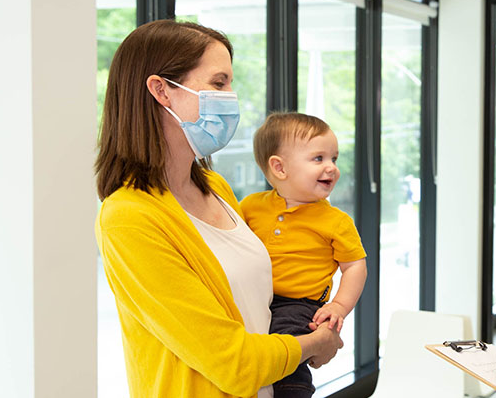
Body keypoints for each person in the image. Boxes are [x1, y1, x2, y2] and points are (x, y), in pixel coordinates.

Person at [94, 20, 343, 398]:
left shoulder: (216, 189)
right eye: (218, 82)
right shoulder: (128, 217)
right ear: (162, 90)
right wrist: (312, 345)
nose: (231, 96)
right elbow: (232, 361)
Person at [240, 112, 368, 398]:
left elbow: (355, 267)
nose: (331, 168)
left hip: (298, 304)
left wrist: (339, 306)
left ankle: (294, 390)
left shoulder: (336, 221)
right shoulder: (250, 207)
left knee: (289, 339)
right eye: (318, 159)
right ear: (279, 168)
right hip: (254, 296)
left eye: (333, 158)